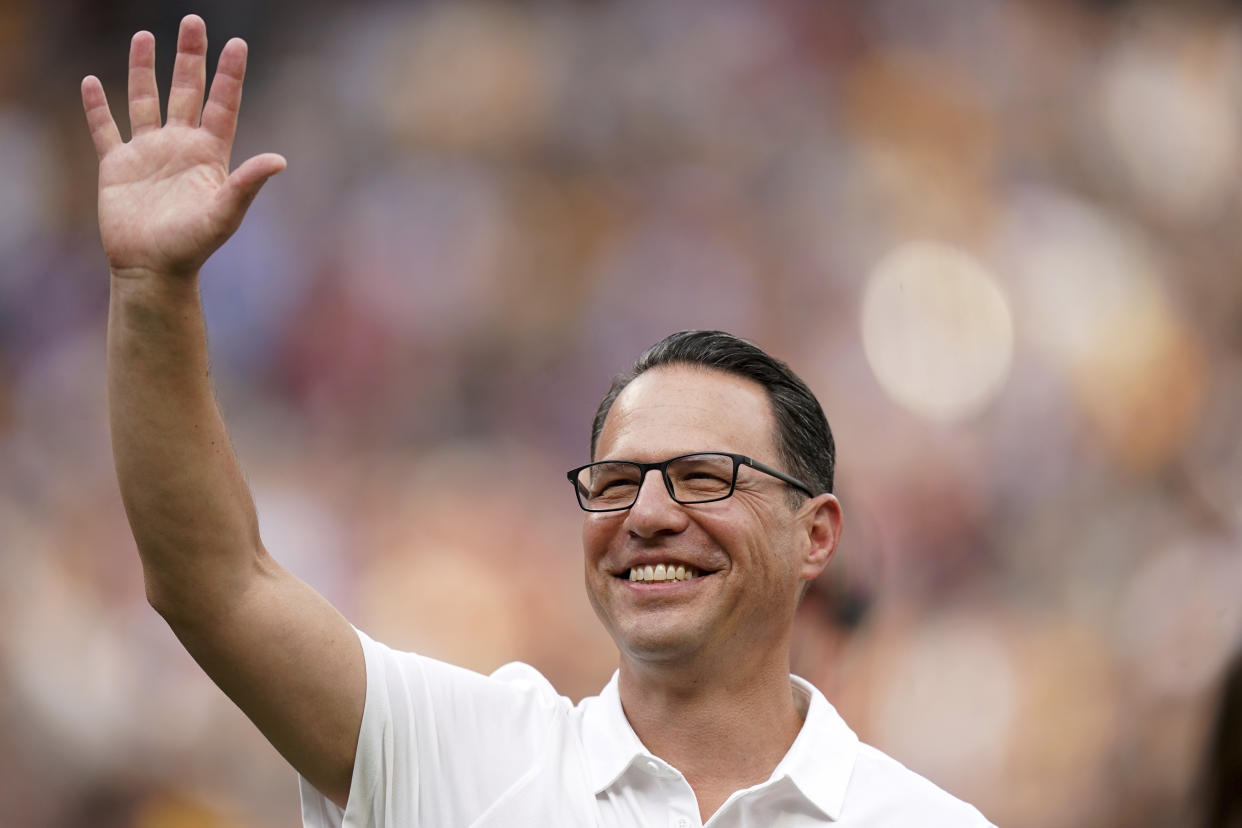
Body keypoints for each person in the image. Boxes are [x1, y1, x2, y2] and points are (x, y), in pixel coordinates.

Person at [81, 15, 994, 827]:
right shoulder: (467, 757)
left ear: (817, 534)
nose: (649, 515)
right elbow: (217, 584)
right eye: (617, 481)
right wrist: (154, 291)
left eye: (704, 476)